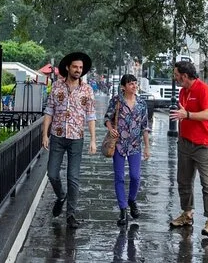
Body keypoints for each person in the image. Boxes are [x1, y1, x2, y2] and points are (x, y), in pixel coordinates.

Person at [42, 51, 97, 229]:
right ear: (68, 67)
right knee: (52, 173)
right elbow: (49, 111)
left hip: (76, 138)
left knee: (73, 177)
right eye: (75, 67)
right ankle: (61, 196)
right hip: (57, 136)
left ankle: (71, 214)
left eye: (80, 67)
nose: (78, 70)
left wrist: (93, 139)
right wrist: (45, 135)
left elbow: (91, 116)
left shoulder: (87, 90)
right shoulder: (57, 86)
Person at [168, 60, 208, 238]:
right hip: (185, 142)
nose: (175, 78)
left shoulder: (203, 89)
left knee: (207, 183)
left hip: (204, 144)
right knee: (183, 180)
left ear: (185, 76)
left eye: (176, 75)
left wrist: (187, 114)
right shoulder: (183, 91)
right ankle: (187, 214)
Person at [105, 74, 151, 226]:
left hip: (135, 145)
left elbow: (145, 126)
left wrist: (147, 147)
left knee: (135, 176)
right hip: (118, 144)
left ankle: (132, 200)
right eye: (131, 84)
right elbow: (107, 118)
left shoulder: (142, 103)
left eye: (135, 83)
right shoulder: (116, 101)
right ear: (123, 87)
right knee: (119, 177)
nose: (134, 86)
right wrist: (111, 129)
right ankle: (123, 209)